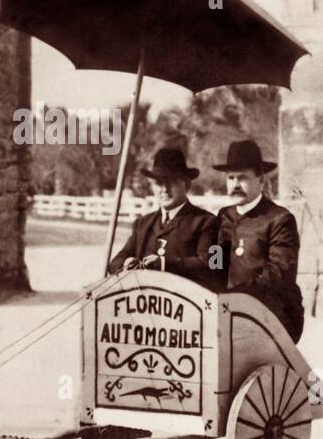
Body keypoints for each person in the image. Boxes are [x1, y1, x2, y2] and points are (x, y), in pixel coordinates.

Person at [213, 139, 306, 343]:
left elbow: (278, 274)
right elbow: (215, 263)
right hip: (227, 311)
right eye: (231, 178)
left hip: (271, 314)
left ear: (261, 181)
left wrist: (233, 295)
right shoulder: (223, 217)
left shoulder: (279, 219)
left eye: (243, 178)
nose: (235, 185)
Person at [107, 148, 218, 287]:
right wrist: (126, 263)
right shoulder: (142, 224)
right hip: (145, 298)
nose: (165, 189)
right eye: (159, 183)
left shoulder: (207, 222)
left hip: (184, 298)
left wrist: (165, 264)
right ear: (153, 187)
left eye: (172, 182)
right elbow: (115, 262)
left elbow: (213, 266)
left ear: (186, 185)